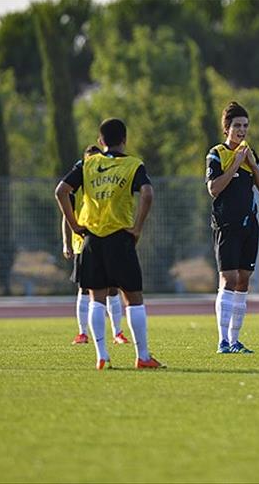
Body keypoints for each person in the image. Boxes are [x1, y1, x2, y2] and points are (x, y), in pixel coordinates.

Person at [54, 118, 164, 370]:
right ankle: (143, 356)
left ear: (101, 140)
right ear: (124, 139)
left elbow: (61, 191)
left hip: (92, 239)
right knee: (133, 298)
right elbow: (147, 193)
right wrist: (137, 228)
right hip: (120, 237)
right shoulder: (133, 164)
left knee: (96, 299)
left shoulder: (87, 163)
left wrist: (74, 225)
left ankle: (102, 355)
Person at [206, 102, 259, 354]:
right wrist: (235, 164)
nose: (242, 130)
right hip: (226, 224)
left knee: (243, 280)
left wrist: (252, 164)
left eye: (245, 126)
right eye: (237, 126)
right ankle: (222, 341)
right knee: (229, 278)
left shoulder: (250, 153)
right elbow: (213, 189)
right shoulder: (217, 153)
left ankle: (235, 340)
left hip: (249, 224)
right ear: (227, 128)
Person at [63, 145, 129, 346]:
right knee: (85, 288)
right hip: (83, 242)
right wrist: (67, 242)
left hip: (107, 237)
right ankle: (82, 333)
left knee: (113, 287)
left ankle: (117, 332)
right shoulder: (75, 186)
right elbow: (66, 215)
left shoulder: (107, 183)